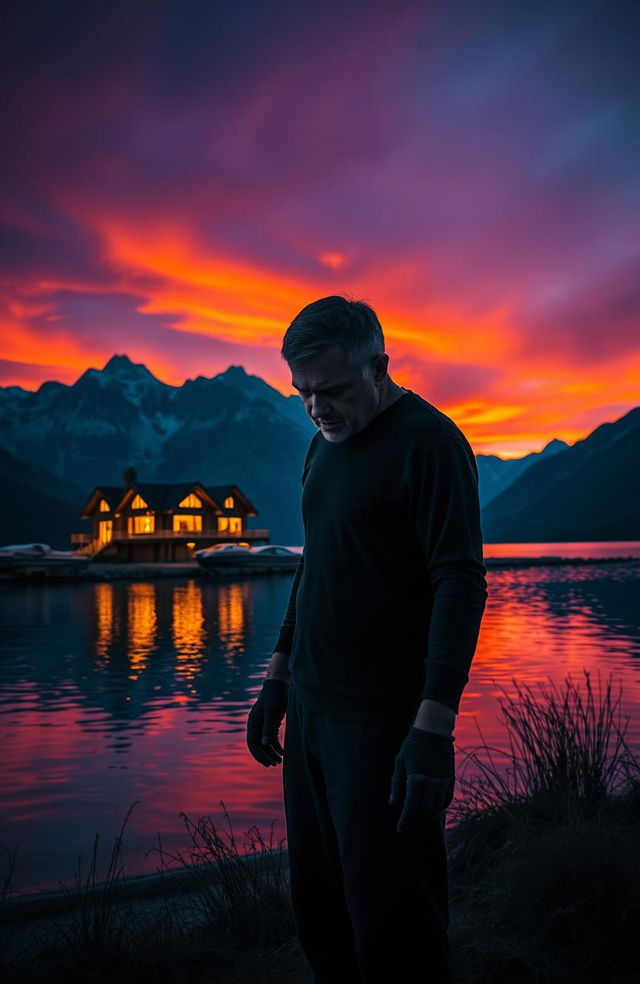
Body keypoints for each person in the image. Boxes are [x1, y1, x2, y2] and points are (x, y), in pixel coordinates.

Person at [246, 294, 488, 983]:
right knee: (320, 914)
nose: (318, 408)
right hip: (313, 717)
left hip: (384, 724)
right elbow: (316, 566)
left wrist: (433, 727)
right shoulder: (321, 450)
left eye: (333, 390)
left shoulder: (430, 443)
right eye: (304, 394)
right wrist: (277, 677)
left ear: (379, 365)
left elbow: (460, 581)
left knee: (395, 928)